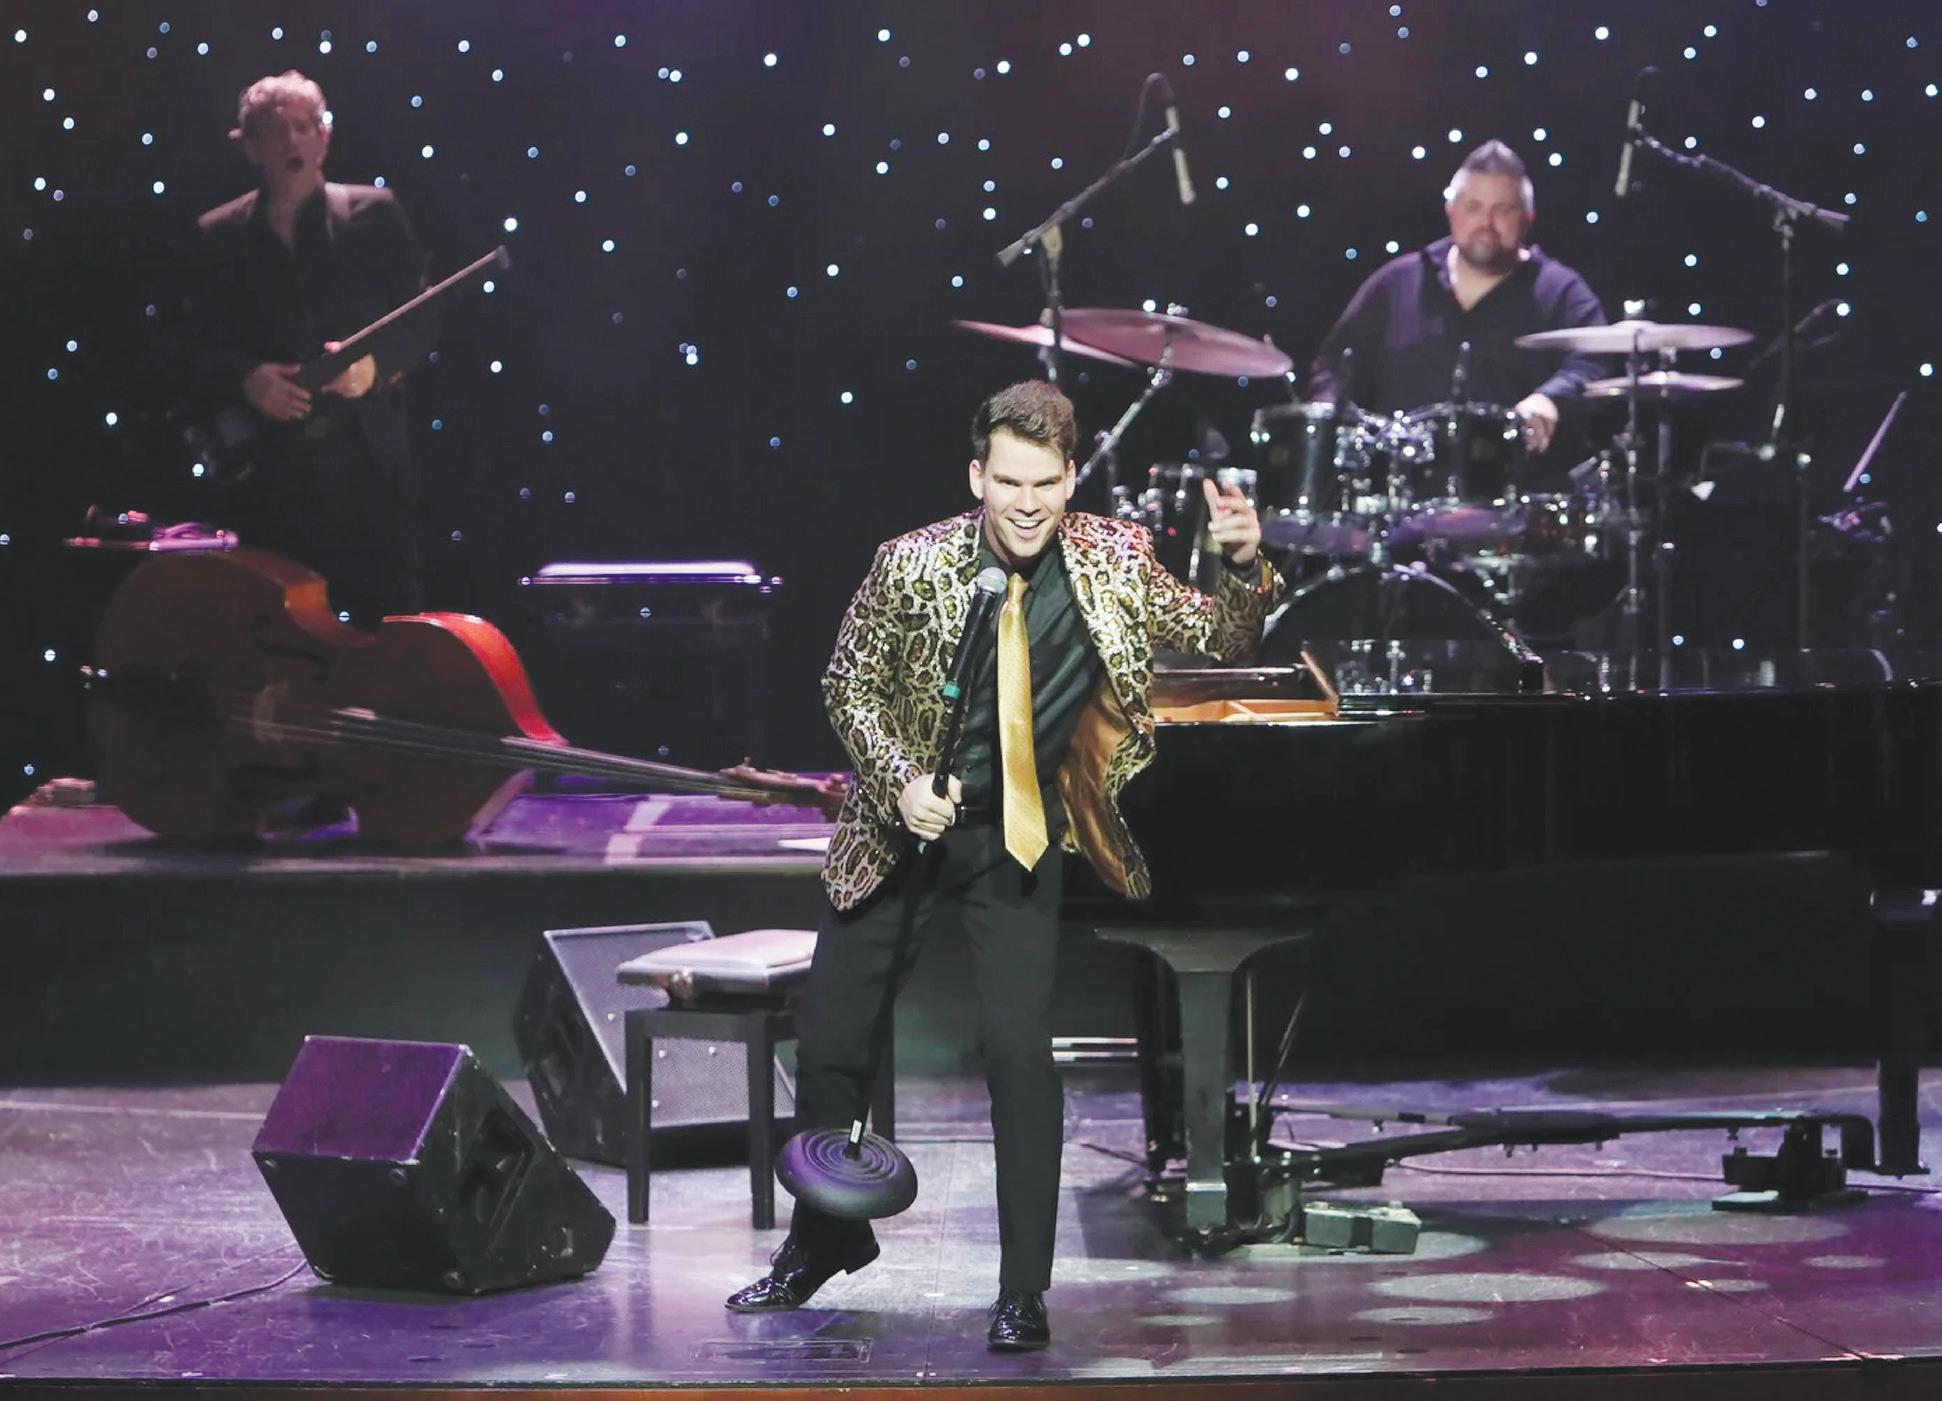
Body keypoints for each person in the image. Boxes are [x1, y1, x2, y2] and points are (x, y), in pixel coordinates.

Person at [724, 381, 1285, 1350]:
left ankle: (1022, 1287)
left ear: (1071, 479)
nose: (1027, 504)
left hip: (1014, 832)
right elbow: (846, 683)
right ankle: (822, 1241)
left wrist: (1242, 564)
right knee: (833, 1043)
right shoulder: (911, 564)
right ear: (977, 476)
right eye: (1009, 482)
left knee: (1020, 1054)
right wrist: (900, 779)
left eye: (1046, 483)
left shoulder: (1113, 557)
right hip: (900, 827)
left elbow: (1222, 639)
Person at [185, 70, 433, 628]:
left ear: (325, 137)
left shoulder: (376, 214)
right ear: (250, 147)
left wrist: (372, 369)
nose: (292, 141)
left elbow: (421, 322)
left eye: (304, 127)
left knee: (383, 630)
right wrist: (249, 378)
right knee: (277, 633)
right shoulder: (219, 235)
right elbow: (194, 346)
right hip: (269, 474)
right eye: (276, 131)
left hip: (367, 468)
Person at [1308, 140, 1608, 464]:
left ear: (1527, 218)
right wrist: (1325, 413)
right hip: (1396, 484)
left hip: (1517, 485)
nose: (1486, 223)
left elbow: (1594, 361)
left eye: (1503, 210)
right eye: (1473, 207)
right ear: (1451, 210)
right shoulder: (1395, 283)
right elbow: (1334, 366)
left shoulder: (1561, 291)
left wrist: (1551, 399)